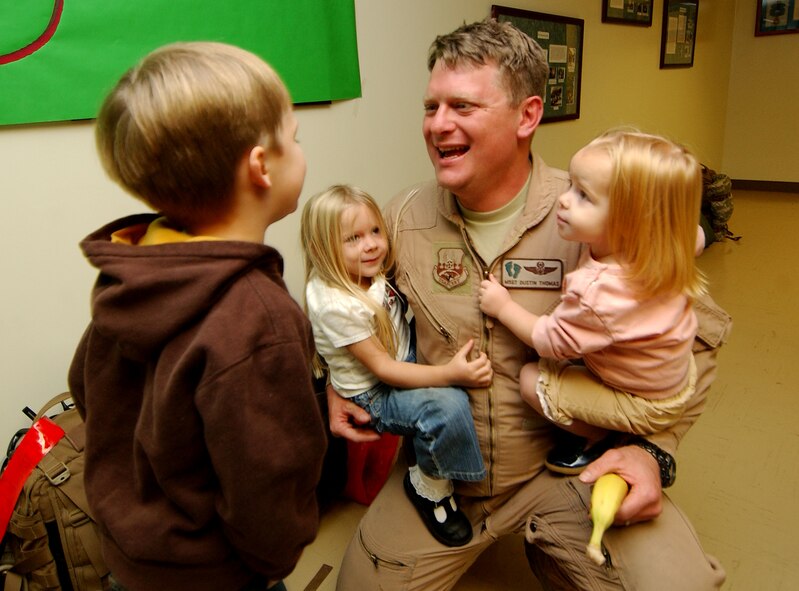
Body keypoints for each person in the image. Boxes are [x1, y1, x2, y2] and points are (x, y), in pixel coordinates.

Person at [328, 19, 730, 590]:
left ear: (527, 116)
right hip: (443, 474)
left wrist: (650, 452)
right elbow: (347, 301)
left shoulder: (601, 212)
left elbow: (692, 340)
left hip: (571, 466)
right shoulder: (397, 221)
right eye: (431, 107)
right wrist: (335, 381)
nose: (438, 125)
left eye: (463, 106)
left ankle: (557, 547)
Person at [68, 42, 327, 591]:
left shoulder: (136, 266)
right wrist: (272, 559)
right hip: (217, 575)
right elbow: (268, 487)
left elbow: (86, 388)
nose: (300, 150)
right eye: (294, 138)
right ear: (260, 165)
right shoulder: (258, 318)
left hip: (133, 560)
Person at [478, 130, 707, 474]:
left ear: (632, 221)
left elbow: (551, 342)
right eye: (571, 185)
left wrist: (503, 306)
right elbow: (697, 238)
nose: (564, 200)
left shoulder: (597, 290)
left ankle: (603, 438)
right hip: (673, 376)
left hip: (641, 401)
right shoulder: (667, 241)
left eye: (584, 196)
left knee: (530, 379)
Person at [301, 184, 491, 547]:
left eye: (374, 231)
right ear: (322, 251)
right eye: (353, 238)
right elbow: (385, 370)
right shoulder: (337, 305)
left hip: (397, 352)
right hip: (375, 392)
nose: (371, 244)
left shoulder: (363, 268)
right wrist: (449, 374)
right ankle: (430, 487)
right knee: (447, 406)